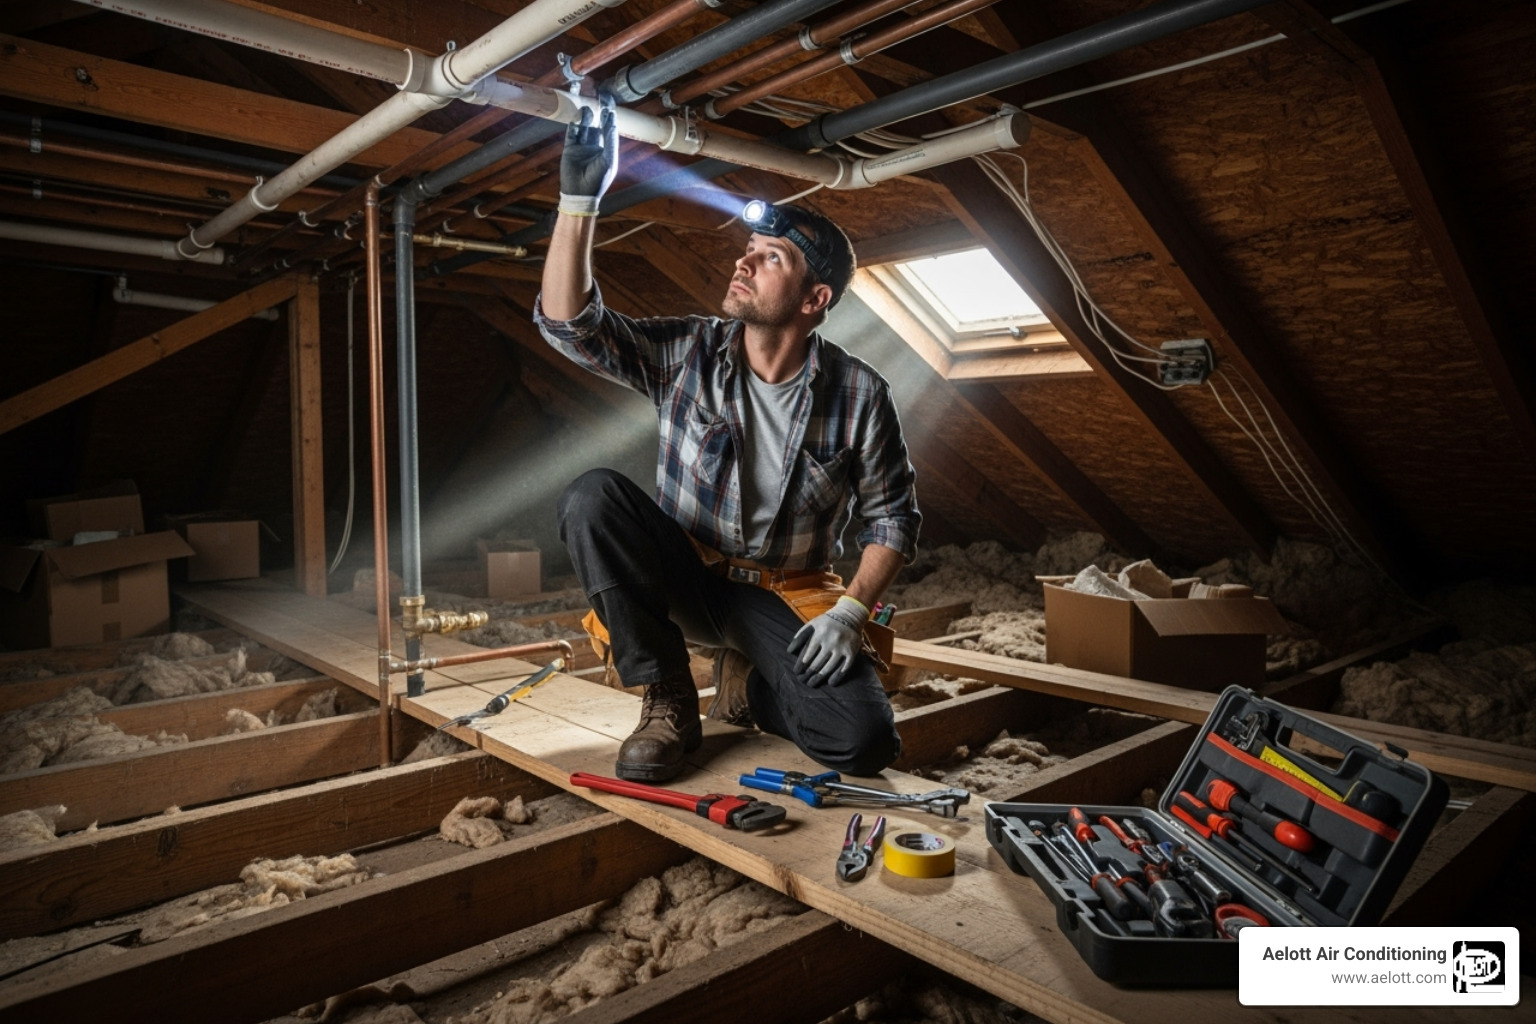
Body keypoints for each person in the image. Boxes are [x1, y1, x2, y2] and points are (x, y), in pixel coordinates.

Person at [535, 100, 921, 783]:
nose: (745, 263)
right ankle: (668, 695)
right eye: (748, 251)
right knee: (592, 497)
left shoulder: (860, 394)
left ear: (813, 300)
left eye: (770, 258)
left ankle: (745, 687)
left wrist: (852, 612)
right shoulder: (690, 350)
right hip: (685, 574)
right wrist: (578, 199)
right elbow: (574, 327)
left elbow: (893, 518)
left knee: (863, 742)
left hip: (781, 594)